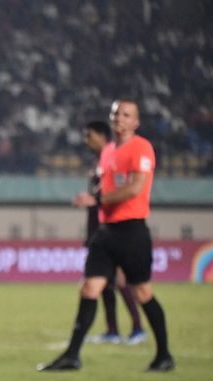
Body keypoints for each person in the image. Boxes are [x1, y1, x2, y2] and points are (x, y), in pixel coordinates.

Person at [40, 100, 173, 372]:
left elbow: (135, 188)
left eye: (126, 115)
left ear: (136, 122)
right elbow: (107, 186)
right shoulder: (109, 151)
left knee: (142, 292)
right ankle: (72, 356)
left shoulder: (141, 148)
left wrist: (96, 198)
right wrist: (95, 198)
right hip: (107, 230)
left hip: (131, 230)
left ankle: (163, 355)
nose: (119, 118)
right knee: (89, 288)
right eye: (115, 114)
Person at [78, 120, 145, 346]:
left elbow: (121, 191)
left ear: (101, 135)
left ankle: (137, 329)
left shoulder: (115, 158)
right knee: (105, 282)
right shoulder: (101, 161)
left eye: (89, 135)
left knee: (120, 279)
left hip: (115, 229)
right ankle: (113, 330)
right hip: (98, 228)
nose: (86, 140)